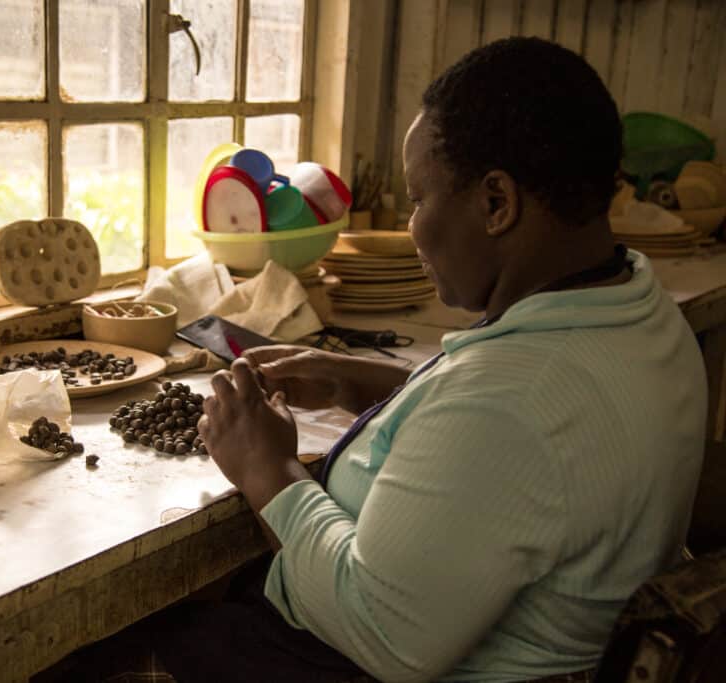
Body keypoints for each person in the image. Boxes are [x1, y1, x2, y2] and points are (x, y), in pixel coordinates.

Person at [42, 36, 707, 683]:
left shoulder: (516, 399)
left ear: (496, 203)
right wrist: (368, 384)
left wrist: (265, 468)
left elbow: (380, 633)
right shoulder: (640, 310)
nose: (412, 225)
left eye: (418, 198)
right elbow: (504, 447)